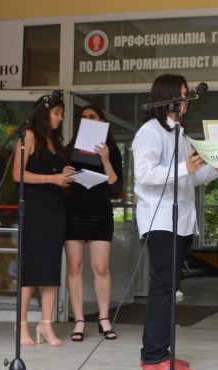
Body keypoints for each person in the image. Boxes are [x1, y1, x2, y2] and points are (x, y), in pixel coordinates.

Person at [133, 74, 218, 370]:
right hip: (160, 222)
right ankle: (152, 356)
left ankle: (163, 353)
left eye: (187, 95)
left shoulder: (180, 135)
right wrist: (186, 167)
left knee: (170, 289)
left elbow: (191, 178)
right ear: (167, 96)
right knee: (162, 288)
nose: (186, 101)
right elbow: (144, 174)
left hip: (181, 222)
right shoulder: (150, 132)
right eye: (182, 94)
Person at [12, 94, 75, 347]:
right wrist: (51, 179)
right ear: (43, 112)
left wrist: (65, 174)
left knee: (50, 269)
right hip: (34, 208)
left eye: (62, 114)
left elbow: (51, 172)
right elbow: (18, 174)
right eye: (57, 113)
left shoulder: (55, 141)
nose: (60, 118)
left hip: (55, 207)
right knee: (31, 269)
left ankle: (46, 325)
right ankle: (22, 326)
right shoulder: (28, 135)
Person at [63, 104, 124, 342]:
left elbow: (116, 188)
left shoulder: (113, 151)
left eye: (92, 117)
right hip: (74, 210)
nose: (87, 120)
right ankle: (78, 319)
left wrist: (106, 160)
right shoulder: (70, 149)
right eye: (83, 118)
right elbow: (61, 183)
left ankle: (103, 317)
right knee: (74, 266)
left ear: (101, 120)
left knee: (101, 268)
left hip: (99, 211)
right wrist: (65, 174)